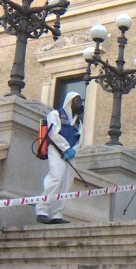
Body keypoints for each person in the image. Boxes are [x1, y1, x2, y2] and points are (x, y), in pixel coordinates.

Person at [35, 92, 84, 224]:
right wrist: (65, 148)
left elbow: (80, 139)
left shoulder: (78, 121)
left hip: (70, 155)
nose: (80, 104)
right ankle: (42, 210)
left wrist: (73, 151)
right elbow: (53, 133)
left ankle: (57, 213)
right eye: (77, 100)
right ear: (70, 101)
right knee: (55, 178)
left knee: (66, 183)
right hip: (56, 151)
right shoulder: (55, 114)